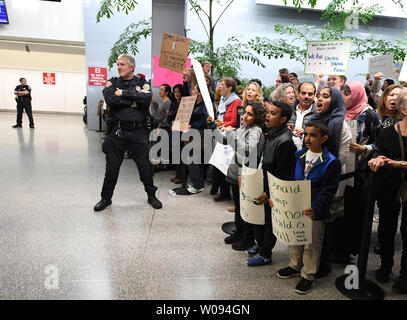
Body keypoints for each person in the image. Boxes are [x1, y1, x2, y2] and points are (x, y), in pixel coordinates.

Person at [277, 121, 341, 294]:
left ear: (324, 138)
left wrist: (317, 208)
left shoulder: (330, 162)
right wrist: (284, 198)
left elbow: (328, 190)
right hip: (296, 205)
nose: (308, 138)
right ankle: (295, 265)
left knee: (312, 244)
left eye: (313, 135)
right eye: (306, 134)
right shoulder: (299, 155)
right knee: (294, 238)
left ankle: (308, 275)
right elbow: (291, 179)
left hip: (314, 210)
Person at [93, 54, 162, 211]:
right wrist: (134, 100)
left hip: (138, 131)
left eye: (122, 64)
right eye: (118, 64)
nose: (118, 67)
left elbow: (147, 98)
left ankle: (151, 195)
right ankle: (106, 198)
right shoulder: (113, 82)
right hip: (117, 131)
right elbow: (110, 99)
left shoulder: (142, 83)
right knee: (112, 168)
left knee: (144, 166)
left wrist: (123, 94)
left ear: (132, 67)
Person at [209, 101, 266, 251]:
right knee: (239, 207)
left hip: (246, 174)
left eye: (250, 114)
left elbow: (247, 151)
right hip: (235, 173)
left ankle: (247, 238)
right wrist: (214, 127)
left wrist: (230, 135)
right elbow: (223, 140)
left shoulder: (256, 131)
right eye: (245, 113)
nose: (245, 116)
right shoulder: (243, 128)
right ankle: (239, 232)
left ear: (257, 117)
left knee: (245, 208)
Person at [247, 101, 296, 266]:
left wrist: (269, 193)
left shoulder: (285, 142)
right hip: (262, 182)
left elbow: (282, 174)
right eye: (268, 112)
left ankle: (265, 254)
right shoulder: (271, 133)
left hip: (272, 189)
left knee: (270, 222)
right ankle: (260, 245)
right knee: (259, 218)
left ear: (283, 119)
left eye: (273, 113)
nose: (267, 116)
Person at [368, 89, 407, 294]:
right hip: (388, 187)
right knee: (386, 228)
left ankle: (405, 275)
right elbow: (379, 152)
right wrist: (377, 158)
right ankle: (385, 267)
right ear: (404, 109)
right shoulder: (388, 133)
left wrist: (400, 163)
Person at [311, 86, 351, 276]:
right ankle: (310, 259)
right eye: (318, 96)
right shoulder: (313, 121)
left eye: (324, 96)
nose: (318, 99)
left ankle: (322, 261)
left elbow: (343, 156)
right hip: (311, 178)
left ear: (334, 101)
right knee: (313, 220)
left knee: (327, 221)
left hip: (332, 180)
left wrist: (321, 165)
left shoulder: (340, 124)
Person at [341, 82, 381, 256]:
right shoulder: (340, 113)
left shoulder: (370, 115)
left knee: (358, 213)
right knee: (343, 211)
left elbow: (381, 143)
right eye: (342, 93)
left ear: (357, 94)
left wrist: (366, 149)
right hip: (343, 172)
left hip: (361, 173)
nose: (344, 97)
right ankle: (342, 248)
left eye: (348, 94)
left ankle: (354, 249)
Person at [211, 77, 241, 201]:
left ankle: (224, 193)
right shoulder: (223, 99)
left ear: (230, 88)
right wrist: (216, 121)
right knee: (218, 164)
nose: (220, 87)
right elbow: (221, 117)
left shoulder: (236, 101)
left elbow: (234, 121)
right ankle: (221, 191)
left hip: (229, 136)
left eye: (223, 85)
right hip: (221, 133)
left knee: (225, 166)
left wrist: (222, 125)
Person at [186, 84, 209, 194]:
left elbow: (204, 121)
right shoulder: (195, 104)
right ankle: (198, 183)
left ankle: (198, 184)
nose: (192, 92)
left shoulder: (204, 106)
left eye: (194, 90)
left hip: (201, 135)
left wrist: (192, 125)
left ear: (200, 93)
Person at [288, 82, 317, 151]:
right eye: (303, 93)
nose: (307, 96)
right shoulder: (288, 110)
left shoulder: (318, 114)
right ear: (298, 94)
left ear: (314, 96)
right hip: (287, 154)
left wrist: (306, 133)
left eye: (310, 94)